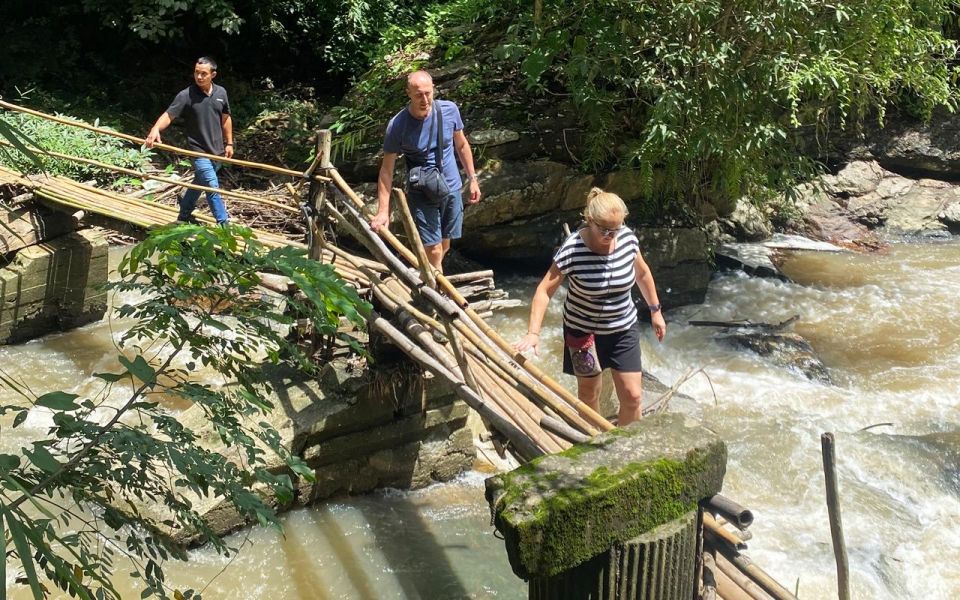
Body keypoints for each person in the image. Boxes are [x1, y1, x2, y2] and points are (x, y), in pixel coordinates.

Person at [514, 188, 667, 426]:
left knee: (633, 396)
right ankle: (592, 444)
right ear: (589, 220)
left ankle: (627, 450)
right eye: (604, 229)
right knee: (589, 394)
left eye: (615, 229)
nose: (610, 235)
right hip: (582, 333)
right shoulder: (573, 249)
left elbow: (643, 273)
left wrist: (655, 311)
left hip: (622, 330)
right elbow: (544, 291)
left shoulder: (626, 239)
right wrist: (533, 333)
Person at [370, 70, 481, 272]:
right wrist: (382, 211)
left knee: (445, 245)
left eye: (428, 93)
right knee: (435, 249)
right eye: (418, 94)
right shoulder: (398, 125)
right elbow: (387, 169)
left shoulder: (449, 110)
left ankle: (430, 277)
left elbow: (461, 145)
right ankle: (438, 294)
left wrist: (472, 178)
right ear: (408, 94)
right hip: (422, 190)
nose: (424, 99)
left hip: (451, 187)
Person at [145, 56, 233, 224]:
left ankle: (184, 215)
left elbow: (226, 118)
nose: (199, 77)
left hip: (218, 152)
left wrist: (229, 143)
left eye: (204, 74)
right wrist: (155, 129)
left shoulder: (221, 93)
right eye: (196, 73)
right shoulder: (186, 95)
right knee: (211, 186)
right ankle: (224, 226)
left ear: (213, 75)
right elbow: (169, 115)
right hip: (198, 151)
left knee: (199, 183)